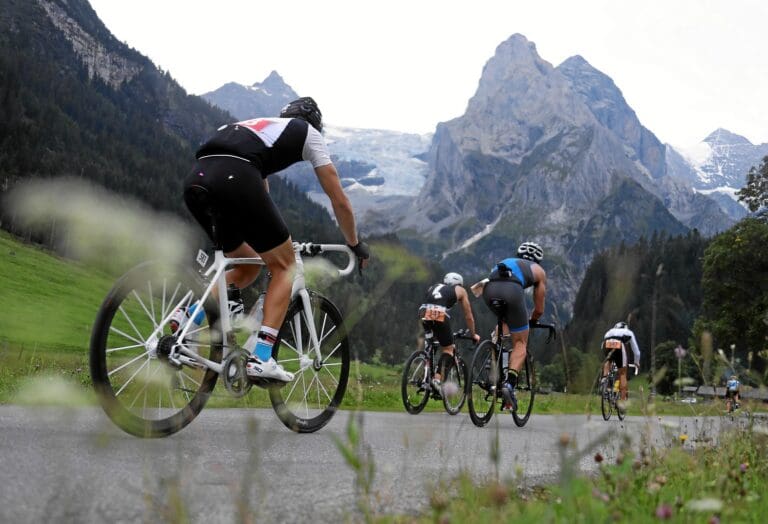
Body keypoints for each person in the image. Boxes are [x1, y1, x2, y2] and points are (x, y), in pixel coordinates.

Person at [180, 97, 370, 382]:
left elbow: (260, 197)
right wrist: (354, 243)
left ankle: (185, 318)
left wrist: (270, 239)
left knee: (248, 266)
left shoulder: (254, 128)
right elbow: (338, 199)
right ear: (315, 123)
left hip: (197, 180)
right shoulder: (308, 133)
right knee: (285, 267)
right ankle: (262, 357)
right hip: (236, 178)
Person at [471, 241, 547, 412]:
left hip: (489, 289)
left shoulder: (508, 261)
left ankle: (495, 358)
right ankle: (509, 384)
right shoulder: (539, 271)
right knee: (520, 343)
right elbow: (540, 309)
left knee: (504, 322)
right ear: (538, 260)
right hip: (512, 291)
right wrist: (532, 321)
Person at [419, 272, 481, 392]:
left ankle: (425, 376)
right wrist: (473, 334)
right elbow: (469, 316)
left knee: (432, 343)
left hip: (423, 311)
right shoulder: (461, 290)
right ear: (459, 283)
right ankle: (436, 380)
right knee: (448, 349)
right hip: (439, 313)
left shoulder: (434, 286)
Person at [600, 321, 641, 402]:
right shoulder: (628, 332)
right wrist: (637, 362)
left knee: (608, 361)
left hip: (606, 343)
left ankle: (604, 379)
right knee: (622, 373)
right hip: (619, 344)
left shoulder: (610, 331)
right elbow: (636, 352)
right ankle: (622, 403)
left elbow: (602, 346)